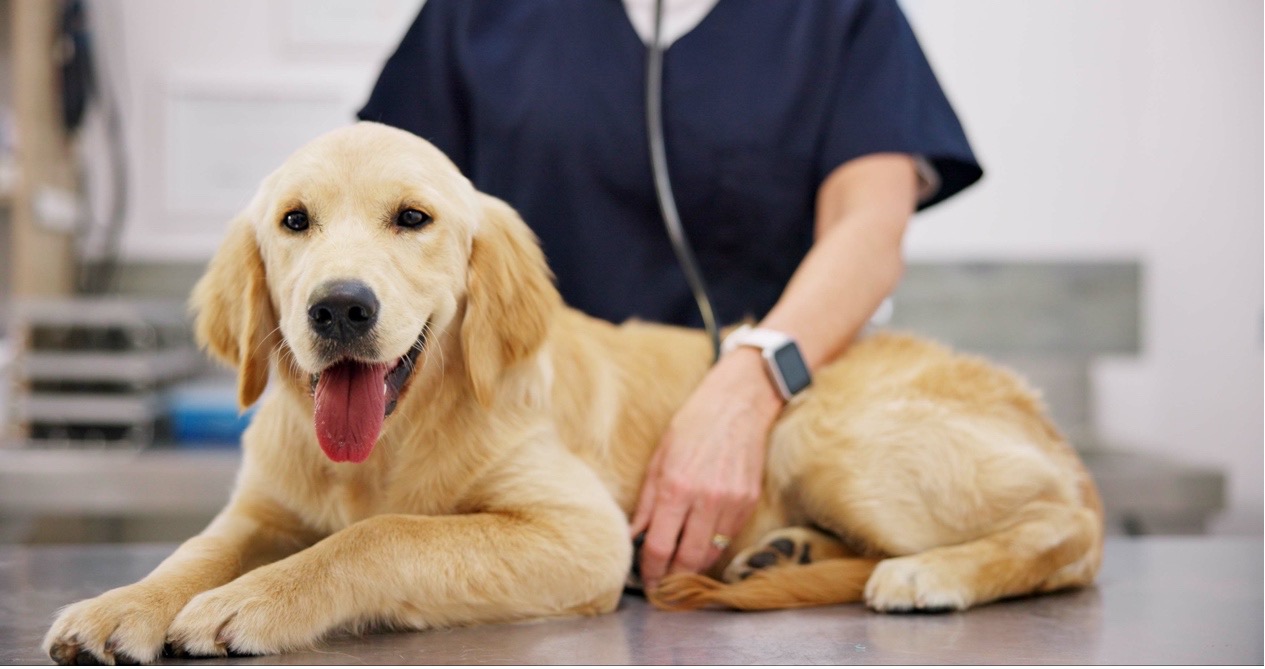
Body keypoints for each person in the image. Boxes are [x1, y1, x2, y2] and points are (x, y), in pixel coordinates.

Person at [359, 0, 982, 592]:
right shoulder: (472, 13)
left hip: (758, 428)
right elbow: (379, 205)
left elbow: (868, 231)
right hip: (508, 430)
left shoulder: (841, 15)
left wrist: (748, 389)